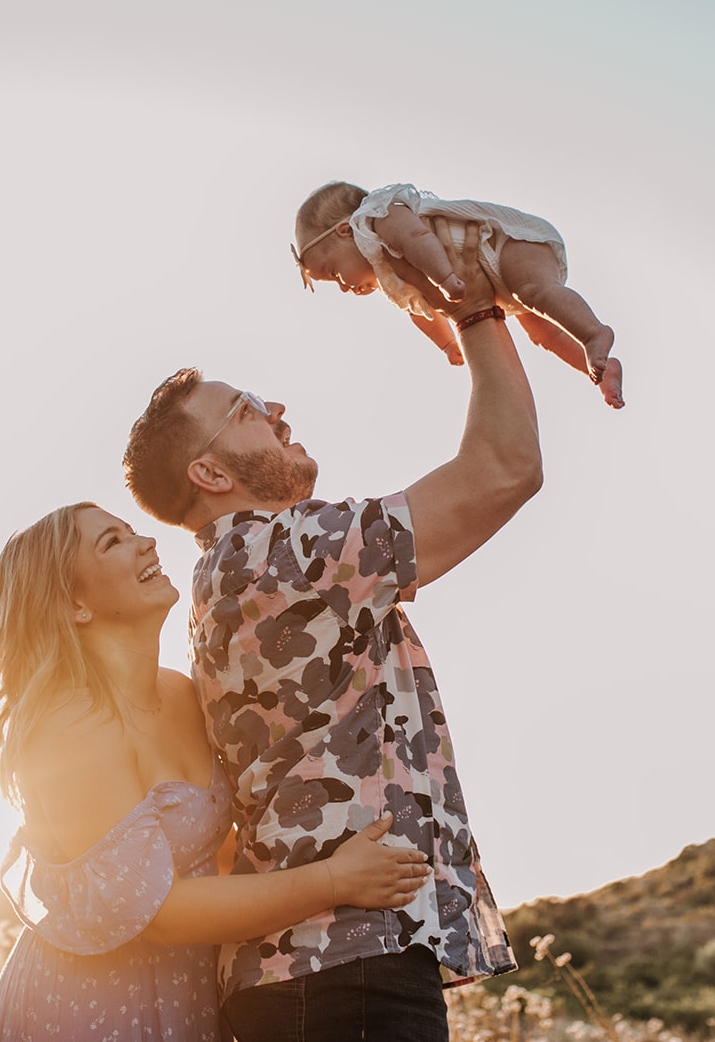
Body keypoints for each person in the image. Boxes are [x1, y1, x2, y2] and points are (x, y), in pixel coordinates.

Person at [122, 222, 539, 1041]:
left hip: (321, 973)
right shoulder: (279, 551)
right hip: (341, 973)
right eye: (245, 410)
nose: (275, 407)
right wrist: (476, 310)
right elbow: (505, 468)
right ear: (209, 474)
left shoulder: (238, 569)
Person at [0, 502, 431, 1041]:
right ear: (75, 604)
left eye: (131, 530)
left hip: (187, 989)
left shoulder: (177, 690)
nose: (144, 541)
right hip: (92, 1004)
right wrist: (334, 880)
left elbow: (213, 850)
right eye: (113, 542)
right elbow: (162, 912)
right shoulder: (70, 726)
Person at [291, 180, 625, 408]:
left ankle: (594, 332)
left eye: (336, 274)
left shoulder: (375, 218)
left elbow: (417, 237)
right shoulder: (388, 273)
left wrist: (446, 278)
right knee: (542, 332)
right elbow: (421, 312)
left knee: (535, 292)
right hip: (490, 277)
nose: (345, 288)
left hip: (499, 245)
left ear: (346, 231)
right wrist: (448, 344)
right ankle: (598, 369)